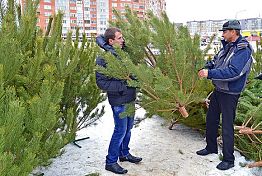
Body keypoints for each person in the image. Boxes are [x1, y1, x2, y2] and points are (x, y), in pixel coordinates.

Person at [197, 20, 253, 170]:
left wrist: (210, 73)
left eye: (225, 31)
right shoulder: (226, 47)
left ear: (234, 32)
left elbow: (234, 72)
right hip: (219, 90)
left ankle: (229, 159)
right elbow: (215, 62)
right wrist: (205, 67)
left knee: (227, 126)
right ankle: (211, 147)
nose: (223, 34)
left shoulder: (243, 50)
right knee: (211, 120)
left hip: (230, 93)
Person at [95, 27, 142, 174]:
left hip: (130, 98)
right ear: (111, 41)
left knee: (128, 129)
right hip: (119, 100)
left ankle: (124, 154)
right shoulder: (104, 59)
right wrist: (123, 86)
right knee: (120, 131)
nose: (123, 40)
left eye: (122, 37)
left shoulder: (124, 54)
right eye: (120, 38)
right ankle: (110, 161)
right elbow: (101, 83)